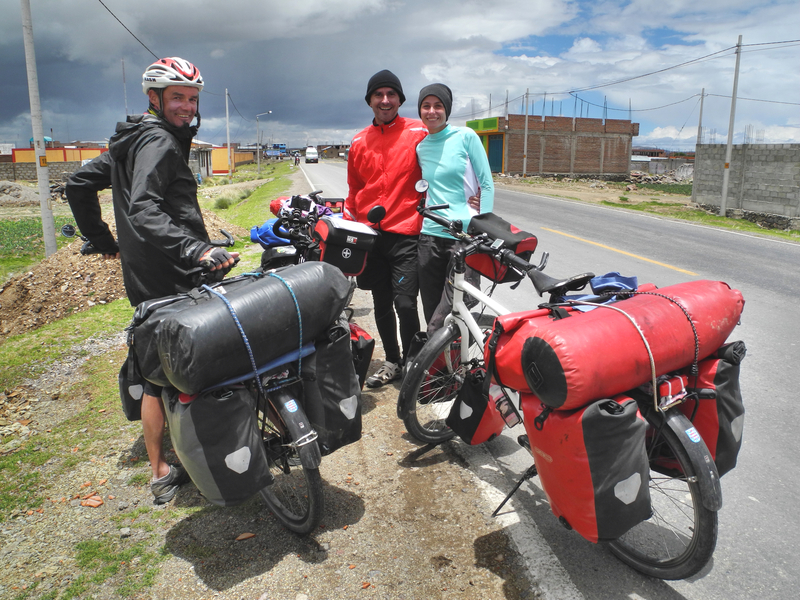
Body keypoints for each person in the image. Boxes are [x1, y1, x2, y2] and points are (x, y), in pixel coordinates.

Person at [66, 57, 238, 504]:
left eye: (193, 98)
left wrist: (102, 240)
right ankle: (163, 470)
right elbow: (144, 208)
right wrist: (196, 249)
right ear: (154, 98)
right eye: (178, 97)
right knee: (167, 371)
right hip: (171, 273)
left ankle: (169, 458)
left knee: (157, 366)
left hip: (144, 273)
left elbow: (78, 184)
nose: (187, 106)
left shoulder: (133, 140)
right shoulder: (159, 141)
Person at [344, 70, 428, 388]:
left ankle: (415, 362)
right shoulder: (358, 141)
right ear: (370, 101)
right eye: (378, 95)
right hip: (370, 235)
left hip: (407, 233)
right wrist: (348, 229)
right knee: (381, 302)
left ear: (399, 100)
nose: (385, 100)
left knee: (405, 303)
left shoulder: (418, 131)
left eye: (391, 94)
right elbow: (354, 190)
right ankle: (392, 361)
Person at [415, 83, 494, 332]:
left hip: (463, 236)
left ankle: (444, 360)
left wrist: (484, 227)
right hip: (429, 236)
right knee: (430, 307)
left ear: (446, 110)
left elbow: (487, 184)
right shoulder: (421, 147)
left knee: (455, 307)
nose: (432, 111)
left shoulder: (466, 137)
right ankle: (442, 368)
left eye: (438, 106)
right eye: (426, 106)